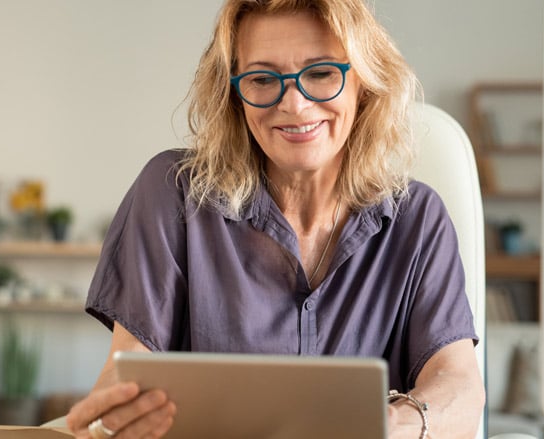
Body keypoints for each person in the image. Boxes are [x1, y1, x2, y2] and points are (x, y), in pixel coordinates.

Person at [65, 0, 485, 437]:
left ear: (363, 81)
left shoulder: (419, 219)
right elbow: (127, 370)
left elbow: (460, 386)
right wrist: (109, 420)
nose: (295, 104)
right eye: (263, 79)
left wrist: (395, 424)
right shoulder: (173, 192)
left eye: (321, 73)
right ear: (234, 93)